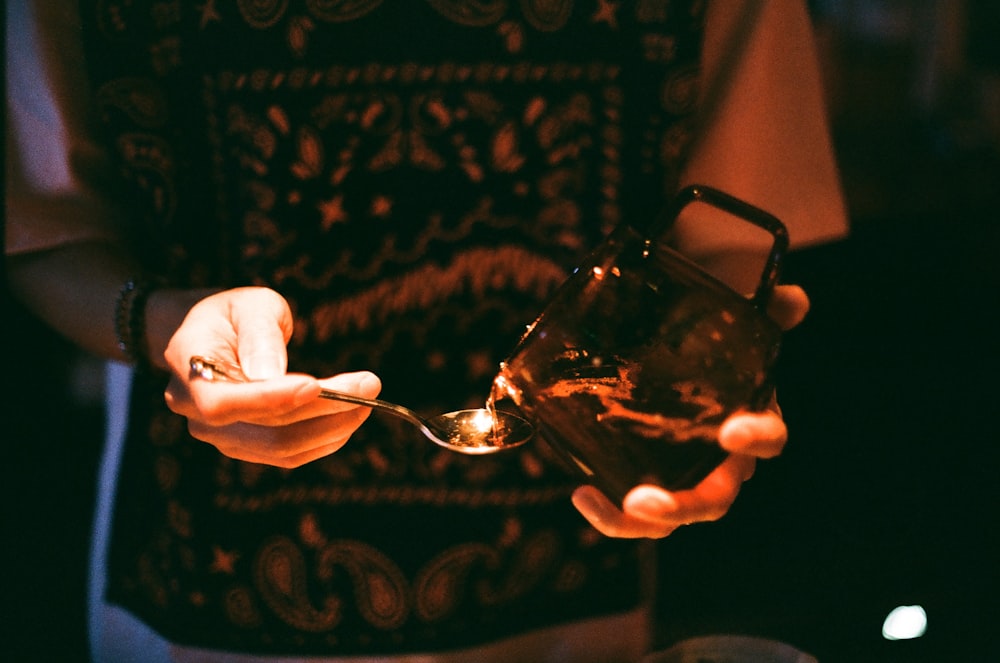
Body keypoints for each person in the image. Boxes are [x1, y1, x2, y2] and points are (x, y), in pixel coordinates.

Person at [5, 0, 848, 661]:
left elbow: (729, 235)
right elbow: (39, 225)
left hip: (566, 596)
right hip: (206, 607)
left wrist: (708, 390)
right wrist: (163, 322)